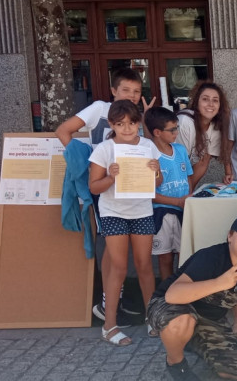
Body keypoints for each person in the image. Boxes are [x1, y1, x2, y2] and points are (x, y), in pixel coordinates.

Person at [147, 213, 237, 381]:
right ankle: (175, 362)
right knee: (182, 322)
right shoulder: (210, 257)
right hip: (167, 306)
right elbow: (172, 295)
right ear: (230, 236)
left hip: (207, 320)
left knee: (235, 370)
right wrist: (219, 283)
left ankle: (189, 340)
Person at [88, 100, 162, 346]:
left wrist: (155, 172)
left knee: (144, 266)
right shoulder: (104, 149)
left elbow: (157, 182)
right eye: (120, 124)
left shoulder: (148, 146)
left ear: (139, 123)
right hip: (113, 212)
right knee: (118, 268)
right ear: (111, 124)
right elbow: (94, 186)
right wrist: (111, 177)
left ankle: (152, 318)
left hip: (141, 211)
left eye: (132, 123)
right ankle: (109, 326)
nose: (127, 129)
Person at [145, 107, 193, 282]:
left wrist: (188, 199)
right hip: (160, 212)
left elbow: (188, 177)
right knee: (165, 258)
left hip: (183, 211)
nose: (176, 132)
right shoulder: (149, 157)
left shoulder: (180, 150)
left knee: (185, 255)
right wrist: (177, 201)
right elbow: (148, 193)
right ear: (157, 132)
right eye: (172, 129)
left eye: (176, 127)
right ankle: (166, 297)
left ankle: (183, 292)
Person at [55, 67, 155, 147]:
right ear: (114, 91)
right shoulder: (100, 108)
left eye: (136, 91)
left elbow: (148, 147)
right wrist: (81, 161)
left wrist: (146, 119)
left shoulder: (139, 115)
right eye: (126, 90)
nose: (132, 95)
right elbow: (62, 131)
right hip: (99, 171)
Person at [176, 81, 232, 188]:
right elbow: (179, 163)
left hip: (185, 182)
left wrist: (189, 191)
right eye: (205, 99)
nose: (210, 104)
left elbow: (202, 163)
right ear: (197, 102)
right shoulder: (185, 122)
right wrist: (182, 193)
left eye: (215, 100)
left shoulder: (216, 128)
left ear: (220, 105)